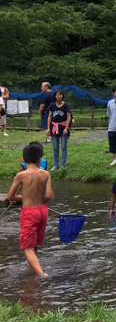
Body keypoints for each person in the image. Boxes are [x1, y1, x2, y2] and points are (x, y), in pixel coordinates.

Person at [6, 142, 54, 275]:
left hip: (29, 212)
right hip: (42, 211)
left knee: (27, 247)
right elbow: (49, 195)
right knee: (35, 243)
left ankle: (41, 273)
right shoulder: (46, 174)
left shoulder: (21, 175)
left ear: (23, 160)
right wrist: (38, 198)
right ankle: (30, 265)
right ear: (40, 160)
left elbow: (11, 196)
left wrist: (25, 198)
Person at [45, 89, 71, 170]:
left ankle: (63, 164)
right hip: (54, 127)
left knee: (64, 147)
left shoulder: (67, 105)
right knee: (55, 147)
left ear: (62, 95)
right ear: (54, 96)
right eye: (57, 95)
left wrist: (67, 128)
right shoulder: (52, 105)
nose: (59, 96)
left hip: (63, 127)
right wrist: (48, 128)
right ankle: (56, 165)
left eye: (60, 95)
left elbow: (69, 117)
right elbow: (49, 117)